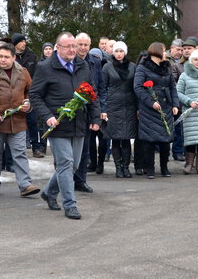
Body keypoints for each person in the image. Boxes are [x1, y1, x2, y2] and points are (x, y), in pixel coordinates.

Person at [30, 32, 100, 220]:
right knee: (66, 163)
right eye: (67, 46)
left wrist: (95, 118)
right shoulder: (45, 68)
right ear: (57, 48)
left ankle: (49, 193)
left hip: (79, 123)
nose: (72, 50)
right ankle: (70, 204)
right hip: (57, 125)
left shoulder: (82, 66)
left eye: (74, 46)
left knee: (74, 165)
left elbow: (92, 93)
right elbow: (35, 95)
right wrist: (48, 117)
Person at [0, 43, 41, 197]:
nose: (2, 60)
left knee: (19, 154)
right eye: (0, 56)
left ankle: (25, 185)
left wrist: (28, 103)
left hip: (18, 121)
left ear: (14, 58)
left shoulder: (23, 72)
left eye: (6, 57)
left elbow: (31, 92)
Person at [134, 42, 179, 179]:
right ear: (157, 52)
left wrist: (175, 104)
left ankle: (164, 168)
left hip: (165, 107)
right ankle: (150, 169)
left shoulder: (167, 67)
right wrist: (151, 102)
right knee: (149, 140)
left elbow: (172, 87)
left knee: (166, 140)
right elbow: (138, 88)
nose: (166, 54)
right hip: (150, 109)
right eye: (164, 51)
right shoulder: (142, 68)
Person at [73, 32, 105, 193]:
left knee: (84, 148)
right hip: (72, 108)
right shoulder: (69, 60)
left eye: (86, 45)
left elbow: (99, 87)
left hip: (88, 108)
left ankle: (81, 180)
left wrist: (99, 110)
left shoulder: (95, 62)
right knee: (69, 150)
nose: (83, 48)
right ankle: (65, 180)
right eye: (80, 44)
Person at [101, 41, 138, 178]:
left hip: (129, 105)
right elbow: (103, 88)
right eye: (116, 51)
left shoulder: (132, 67)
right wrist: (103, 108)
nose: (118, 54)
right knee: (115, 138)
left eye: (121, 51)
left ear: (125, 52)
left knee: (127, 138)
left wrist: (137, 108)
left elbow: (136, 88)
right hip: (113, 105)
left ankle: (126, 168)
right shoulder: (107, 67)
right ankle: (118, 167)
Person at [11, 33, 44, 157]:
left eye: (25, 41)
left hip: (29, 93)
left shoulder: (31, 56)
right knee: (15, 121)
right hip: (14, 93)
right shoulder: (11, 56)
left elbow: (36, 75)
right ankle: (16, 149)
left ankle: (36, 147)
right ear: (15, 44)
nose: (24, 43)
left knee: (32, 121)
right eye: (21, 41)